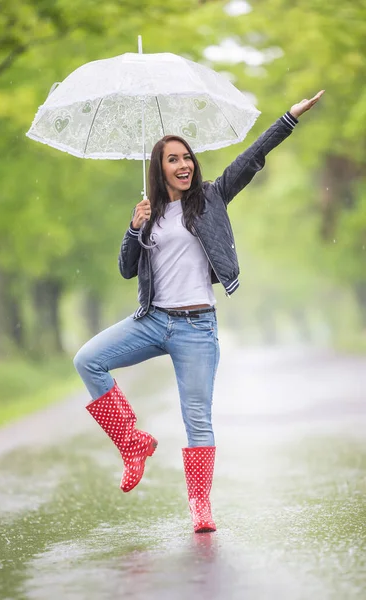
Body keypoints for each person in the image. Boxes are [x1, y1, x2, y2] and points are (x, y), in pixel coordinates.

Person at [73, 90, 325, 533]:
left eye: (187, 157)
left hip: (196, 327)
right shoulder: (148, 214)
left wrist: (289, 117)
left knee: (197, 418)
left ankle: (200, 505)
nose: (184, 164)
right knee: (88, 359)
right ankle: (132, 444)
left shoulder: (210, 198)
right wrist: (134, 229)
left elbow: (252, 159)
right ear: (159, 168)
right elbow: (126, 270)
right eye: (173, 159)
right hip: (152, 322)